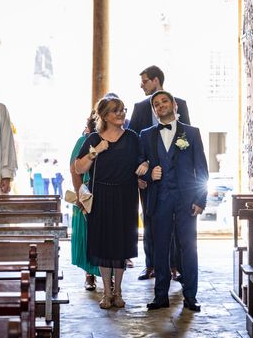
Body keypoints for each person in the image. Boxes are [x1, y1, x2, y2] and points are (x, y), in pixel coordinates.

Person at [138, 90, 208, 312]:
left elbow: (202, 169)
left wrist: (201, 199)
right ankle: (160, 296)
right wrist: (150, 175)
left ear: (174, 104)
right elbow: (140, 166)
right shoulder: (146, 135)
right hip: (159, 199)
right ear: (154, 111)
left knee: (189, 247)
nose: (161, 106)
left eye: (164, 101)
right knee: (160, 249)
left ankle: (190, 297)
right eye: (156, 105)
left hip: (187, 200)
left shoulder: (192, 133)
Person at [74, 96, 139, 309]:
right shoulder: (93, 139)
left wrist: (145, 167)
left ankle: (119, 291)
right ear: (104, 115)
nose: (120, 114)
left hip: (126, 195)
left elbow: (142, 160)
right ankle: (106, 292)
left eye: (122, 110)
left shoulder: (132, 137)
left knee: (120, 244)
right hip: (101, 194)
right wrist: (96, 151)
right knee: (103, 243)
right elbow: (79, 168)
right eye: (115, 110)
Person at [128, 65, 190, 282]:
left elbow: (186, 138)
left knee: (176, 223)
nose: (141, 85)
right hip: (150, 176)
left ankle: (175, 265)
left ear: (156, 80)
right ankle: (151, 264)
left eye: (144, 81)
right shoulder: (140, 107)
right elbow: (134, 142)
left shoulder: (180, 103)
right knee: (149, 219)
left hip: (175, 177)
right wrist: (140, 175)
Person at [70, 111, 101, 291]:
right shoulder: (83, 141)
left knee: (106, 236)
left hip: (107, 192)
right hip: (86, 191)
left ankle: (109, 276)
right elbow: (75, 170)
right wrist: (80, 193)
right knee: (88, 235)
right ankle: (89, 275)